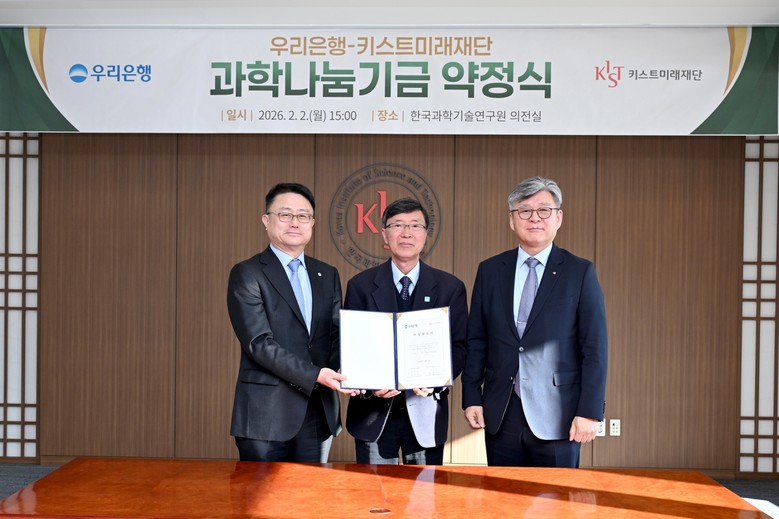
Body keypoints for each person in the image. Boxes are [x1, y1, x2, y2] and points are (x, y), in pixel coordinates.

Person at [461, 177, 607, 467]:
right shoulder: (490, 270)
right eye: (524, 210)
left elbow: (594, 347)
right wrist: (471, 397)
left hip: (559, 414)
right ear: (511, 220)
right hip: (502, 411)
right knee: (504, 494)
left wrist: (590, 411)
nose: (534, 218)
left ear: (558, 218)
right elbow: (477, 339)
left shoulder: (579, 272)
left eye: (544, 210)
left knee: (556, 495)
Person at [227, 182, 357, 462]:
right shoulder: (248, 273)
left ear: (312, 223)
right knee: (262, 491)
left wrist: (353, 371)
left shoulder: (327, 274)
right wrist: (315, 375)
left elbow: (336, 336)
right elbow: (259, 344)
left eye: (303, 216)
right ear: (266, 220)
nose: (295, 222)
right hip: (266, 415)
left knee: (312, 491)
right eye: (285, 214)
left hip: (318, 412)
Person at [344, 197, 468, 465]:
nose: (407, 233)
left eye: (415, 225)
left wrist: (435, 380)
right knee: (374, 491)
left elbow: (459, 347)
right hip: (373, 415)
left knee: (424, 491)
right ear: (384, 234)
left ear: (426, 234)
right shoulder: (360, 286)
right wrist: (370, 387)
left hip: (425, 413)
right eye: (398, 225)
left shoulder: (450, 288)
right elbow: (352, 347)